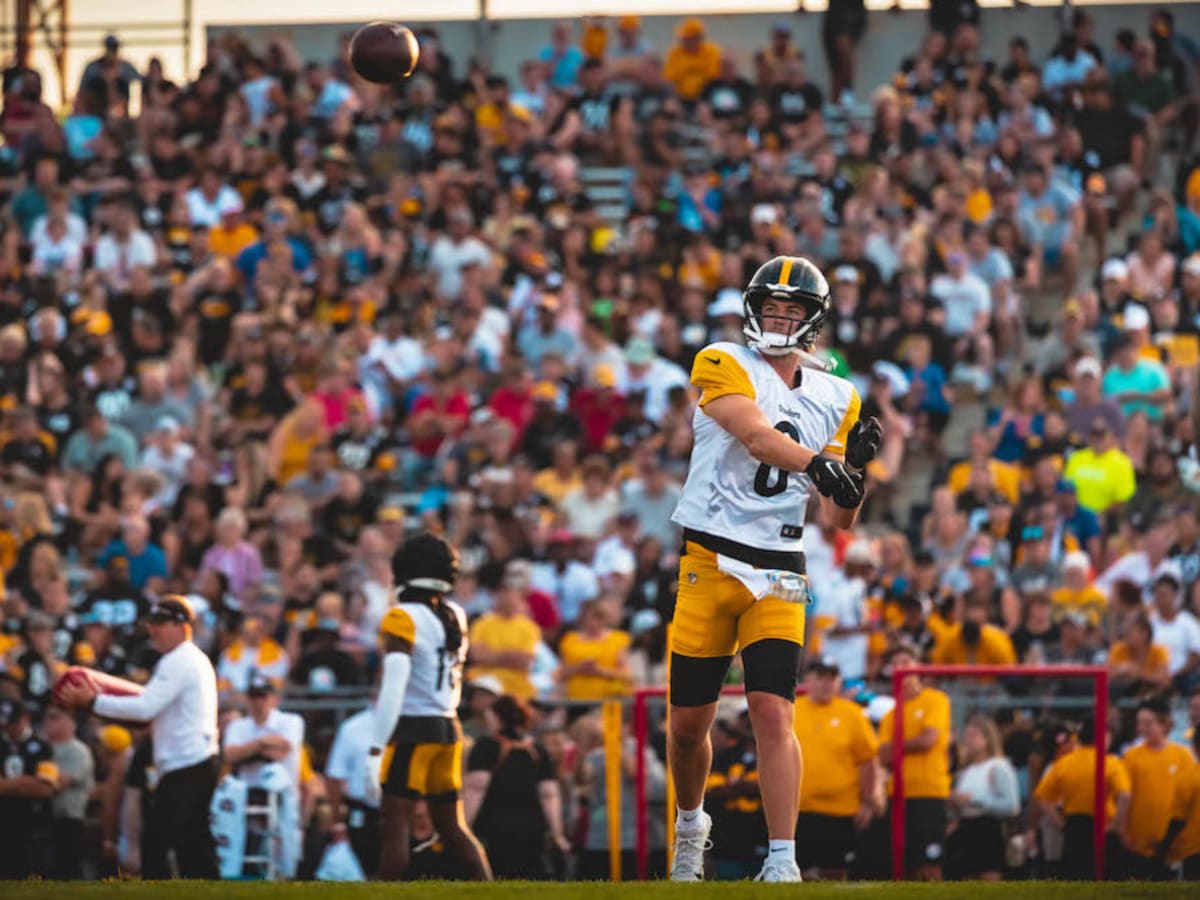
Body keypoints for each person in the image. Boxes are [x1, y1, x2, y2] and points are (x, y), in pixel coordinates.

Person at [667, 255, 879, 882]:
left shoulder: (839, 393)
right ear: (752, 309)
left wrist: (856, 474)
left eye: (791, 310)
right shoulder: (722, 360)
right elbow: (756, 436)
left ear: (813, 320)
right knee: (686, 727)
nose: (778, 318)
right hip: (710, 555)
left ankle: (781, 860)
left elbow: (841, 520)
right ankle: (690, 825)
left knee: (772, 710)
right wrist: (819, 465)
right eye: (771, 307)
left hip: (782, 563)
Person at [58, 595, 219, 878]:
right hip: (195, 759)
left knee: (156, 842)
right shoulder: (190, 659)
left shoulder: (179, 660)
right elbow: (150, 710)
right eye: (152, 623)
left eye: (161, 623)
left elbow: (146, 707)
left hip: (188, 762)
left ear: (182, 626)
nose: (153, 630)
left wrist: (95, 702)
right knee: (193, 844)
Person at [364, 533, 492, 881]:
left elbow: (393, 688)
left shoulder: (403, 616)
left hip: (413, 729)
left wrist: (376, 748)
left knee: (396, 826)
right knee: (452, 828)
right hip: (448, 729)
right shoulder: (456, 614)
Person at [791, 657, 879, 881]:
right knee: (797, 871)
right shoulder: (793, 710)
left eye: (832, 677)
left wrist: (868, 801)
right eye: (821, 677)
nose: (827, 683)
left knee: (835, 872)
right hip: (798, 807)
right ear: (808, 679)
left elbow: (868, 760)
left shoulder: (852, 714)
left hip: (840, 809)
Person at [464, 694, 568, 879]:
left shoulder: (486, 747)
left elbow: (476, 787)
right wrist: (556, 832)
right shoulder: (537, 749)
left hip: (494, 828)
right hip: (533, 829)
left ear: (494, 716)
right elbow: (549, 794)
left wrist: (464, 825)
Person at [878, 643, 952, 882]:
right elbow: (882, 755)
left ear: (918, 668)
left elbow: (928, 740)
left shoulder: (935, 700)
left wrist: (896, 746)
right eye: (896, 663)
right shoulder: (891, 713)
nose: (901, 668)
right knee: (902, 865)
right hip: (898, 794)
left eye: (906, 662)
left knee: (929, 867)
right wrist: (907, 745)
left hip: (928, 792)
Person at [1030, 719, 1131, 881]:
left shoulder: (1064, 763)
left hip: (1074, 831)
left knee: (1076, 883)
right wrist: (1116, 825)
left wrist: (1059, 822)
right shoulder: (1110, 763)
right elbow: (1125, 795)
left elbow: (1041, 797)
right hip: (1103, 828)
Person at [1119, 698, 1195, 880]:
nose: (1142, 728)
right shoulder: (1131, 757)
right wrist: (1123, 831)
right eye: (1140, 723)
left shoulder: (1183, 756)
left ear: (1164, 725)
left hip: (1171, 843)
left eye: (1148, 723)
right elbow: (1123, 796)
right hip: (1138, 841)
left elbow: (1190, 799)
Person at [946, 715, 1020, 881]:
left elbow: (1011, 806)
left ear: (987, 738)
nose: (968, 741)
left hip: (988, 830)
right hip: (966, 829)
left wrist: (975, 800)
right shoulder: (965, 771)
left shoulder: (998, 767)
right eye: (966, 736)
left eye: (974, 736)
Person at [0, 697, 58, 879]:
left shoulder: (43, 746)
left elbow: (45, 789)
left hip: (34, 829)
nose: (7, 729)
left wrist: (9, 784)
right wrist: (26, 781)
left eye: (12, 723)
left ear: (24, 719)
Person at [325, 700, 380, 875]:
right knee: (364, 870)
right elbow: (335, 775)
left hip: (403, 809)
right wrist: (338, 822)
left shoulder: (412, 722)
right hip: (362, 810)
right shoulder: (353, 727)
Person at [44, 703, 95, 880]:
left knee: (68, 869)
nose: (47, 722)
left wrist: (22, 784)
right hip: (44, 817)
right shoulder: (42, 748)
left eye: (55, 717)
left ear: (71, 722)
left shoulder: (78, 751)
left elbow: (56, 784)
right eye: (47, 717)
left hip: (69, 819)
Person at [1157, 725, 1200, 879]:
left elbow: (1177, 820)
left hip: (1194, 851)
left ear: (1195, 747)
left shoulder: (1188, 778)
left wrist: (1163, 847)